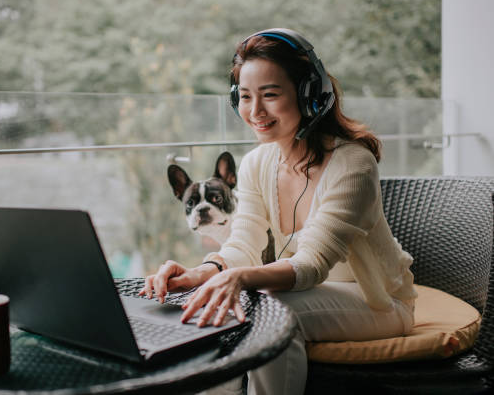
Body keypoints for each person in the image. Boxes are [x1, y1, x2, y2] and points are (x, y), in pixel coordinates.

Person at [139, 28, 418, 395]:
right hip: (312, 295)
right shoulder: (256, 162)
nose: (255, 112)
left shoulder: (354, 165)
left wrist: (241, 279)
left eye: (270, 95)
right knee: (221, 301)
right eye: (245, 97)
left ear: (309, 96)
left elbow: (312, 264)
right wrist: (202, 273)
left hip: (378, 301)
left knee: (273, 310)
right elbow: (245, 244)